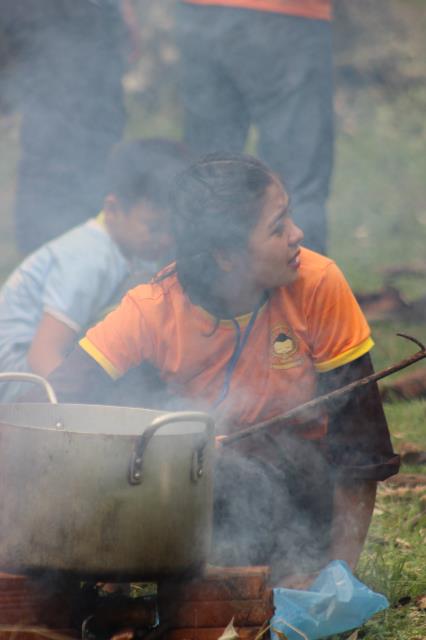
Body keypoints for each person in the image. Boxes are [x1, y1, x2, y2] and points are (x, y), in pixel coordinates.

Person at [32, 153, 399, 586]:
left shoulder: (318, 283)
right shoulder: (153, 309)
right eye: (277, 227)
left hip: (302, 490)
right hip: (189, 490)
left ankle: (275, 575)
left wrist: (340, 575)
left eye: (289, 216)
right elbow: (55, 400)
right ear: (226, 256)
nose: (297, 234)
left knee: (253, 477)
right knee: (216, 474)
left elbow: (360, 441)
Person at [0, 138, 189, 403]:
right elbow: (42, 354)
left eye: (172, 228)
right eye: (154, 227)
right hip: (18, 378)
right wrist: (80, 414)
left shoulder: (137, 251)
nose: (166, 239)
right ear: (113, 209)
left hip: (58, 365)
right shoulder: (89, 259)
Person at [175, 0, 334, 254]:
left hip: (201, 13)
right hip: (287, 16)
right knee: (295, 183)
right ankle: (300, 280)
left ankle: (196, 277)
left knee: (207, 177)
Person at [3, 0, 140, 254]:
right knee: (47, 140)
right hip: (44, 22)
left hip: (90, 30)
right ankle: (43, 251)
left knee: (95, 136)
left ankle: (88, 243)